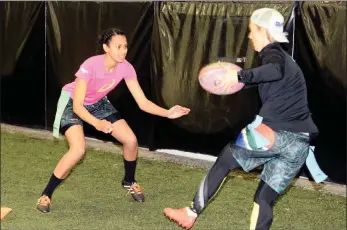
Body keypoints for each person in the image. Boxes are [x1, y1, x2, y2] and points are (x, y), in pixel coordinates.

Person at [163, 8, 319, 230]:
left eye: (252, 30)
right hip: (299, 145)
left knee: (226, 159)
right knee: (264, 199)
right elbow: (268, 77)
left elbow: (273, 70)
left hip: (273, 134)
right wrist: (238, 81)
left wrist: (239, 75)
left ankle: (191, 212)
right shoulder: (285, 61)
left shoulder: (273, 54)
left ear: (263, 31)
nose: (249, 36)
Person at [37, 28, 190, 213]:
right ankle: (46, 194)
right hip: (72, 102)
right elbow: (78, 106)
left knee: (131, 141)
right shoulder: (91, 65)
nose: (123, 50)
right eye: (118, 46)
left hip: (98, 103)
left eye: (125, 46)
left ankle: (129, 181)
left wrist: (167, 113)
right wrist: (97, 123)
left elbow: (142, 102)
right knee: (78, 150)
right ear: (106, 48)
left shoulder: (126, 67)